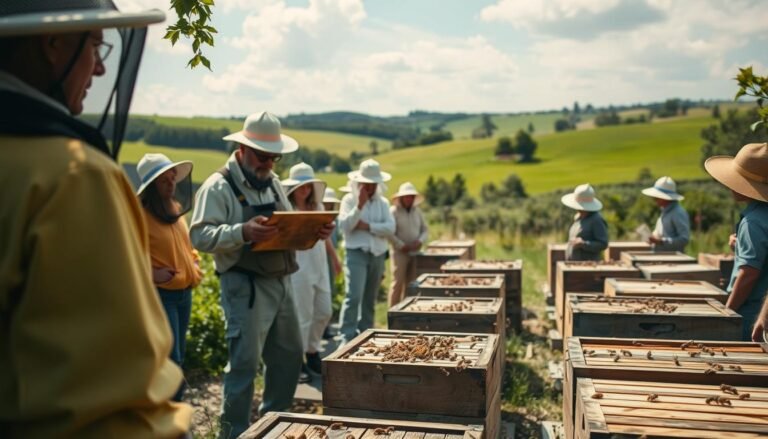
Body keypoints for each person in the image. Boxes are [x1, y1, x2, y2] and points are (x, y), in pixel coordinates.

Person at [0, 1, 192, 437]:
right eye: (95, 48)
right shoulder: (72, 174)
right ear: (53, 43)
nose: (101, 71)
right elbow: (114, 396)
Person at [190, 112, 334, 438]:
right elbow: (198, 236)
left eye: (274, 157)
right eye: (262, 156)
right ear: (242, 149)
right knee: (243, 367)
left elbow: (287, 223)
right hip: (246, 286)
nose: (269, 163)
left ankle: (274, 429)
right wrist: (242, 232)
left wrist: (314, 230)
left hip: (281, 281)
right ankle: (233, 433)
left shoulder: (272, 183)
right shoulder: (218, 186)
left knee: (287, 361)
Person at [136, 153, 202, 401]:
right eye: (164, 179)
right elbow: (126, 253)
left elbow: (186, 246)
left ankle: (171, 412)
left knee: (179, 356)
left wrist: (194, 261)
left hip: (184, 294)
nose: (171, 183)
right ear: (152, 185)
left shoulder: (174, 209)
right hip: (161, 294)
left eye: (172, 177)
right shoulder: (139, 215)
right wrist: (151, 272)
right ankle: (169, 414)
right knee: (171, 359)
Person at [703, 143, 768, 341]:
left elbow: (749, 273)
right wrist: (740, 245)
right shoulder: (760, 217)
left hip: (751, 314)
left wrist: (728, 311)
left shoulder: (752, 222)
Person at [283, 163, 337, 382]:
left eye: (308, 186)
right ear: (293, 189)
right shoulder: (288, 211)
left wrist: (334, 257)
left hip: (319, 265)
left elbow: (326, 237)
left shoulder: (319, 207)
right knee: (303, 317)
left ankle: (312, 350)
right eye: (301, 186)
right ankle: (298, 362)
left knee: (324, 311)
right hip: (299, 269)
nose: (305, 190)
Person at [337, 159, 396, 344]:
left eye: (373, 184)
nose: (369, 187)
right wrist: (359, 206)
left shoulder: (383, 203)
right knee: (353, 296)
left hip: (377, 254)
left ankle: (366, 336)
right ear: (360, 182)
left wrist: (367, 226)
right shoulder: (349, 200)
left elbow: (391, 228)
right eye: (366, 183)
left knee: (370, 299)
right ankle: (346, 338)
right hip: (356, 253)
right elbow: (345, 226)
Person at [387, 182, 429, 306]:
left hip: (415, 252)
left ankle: (406, 313)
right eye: (406, 196)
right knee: (397, 284)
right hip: (399, 253)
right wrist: (401, 245)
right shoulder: (393, 212)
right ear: (401, 197)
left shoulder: (418, 212)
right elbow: (389, 233)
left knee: (411, 284)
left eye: (411, 196)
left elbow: (425, 230)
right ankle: (393, 313)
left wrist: (420, 241)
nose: (409, 199)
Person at [561, 184, 609, 261]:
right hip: (574, 266)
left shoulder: (596, 220)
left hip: (588, 268)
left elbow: (603, 244)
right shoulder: (578, 217)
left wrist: (583, 244)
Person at [641, 176, 690, 252]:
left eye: (657, 197)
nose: (654, 199)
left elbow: (684, 240)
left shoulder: (678, 213)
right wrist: (653, 238)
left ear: (665, 198)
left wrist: (661, 241)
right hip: (663, 258)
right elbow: (659, 233)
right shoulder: (665, 212)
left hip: (675, 260)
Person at [322, 187, 343, 340]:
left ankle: (325, 327)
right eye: (326, 203)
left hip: (330, 256)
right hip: (320, 257)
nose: (328, 207)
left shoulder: (334, 220)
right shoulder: (321, 219)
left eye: (330, 204)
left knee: (328, 289)